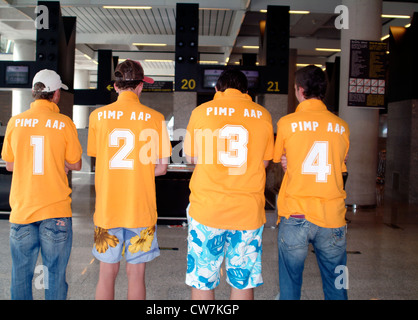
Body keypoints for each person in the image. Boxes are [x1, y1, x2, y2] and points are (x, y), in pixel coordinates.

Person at [183, 69, 275, 300]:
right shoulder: (262, 114)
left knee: (203, 282)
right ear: (247, 91)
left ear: (216, 89)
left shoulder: (201, 112)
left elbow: (191, 158)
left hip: (207, 209)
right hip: (247, 212)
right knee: (242, 281)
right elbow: (264, 162)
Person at [87, 59, 171, 300]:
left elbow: (99, 158)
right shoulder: (155, 118)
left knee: (106, 273)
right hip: (140, 210)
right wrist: (139, 173)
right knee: (136, 274)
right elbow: (162, 168)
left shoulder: (98, 116)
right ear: (141, 86)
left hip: (107, 209)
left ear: (116, 86)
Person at [1, 69, 83, 300]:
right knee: (55, 275)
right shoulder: (64, 123)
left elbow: (10, 164)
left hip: (22, 211)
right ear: (56, 94)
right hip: (55, 211)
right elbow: (76, 163)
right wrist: (60, 163)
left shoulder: (15, 122)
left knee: (20, 275)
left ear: (34, 92)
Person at [273, 65, 350, 300]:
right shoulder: (342, 127)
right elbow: (341, 166)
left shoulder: (287, 123)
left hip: (296, 213)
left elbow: (278, 158)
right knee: (337, 285)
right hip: (332, 216)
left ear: (300, 90)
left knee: (290, 285)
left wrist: (289, 160)